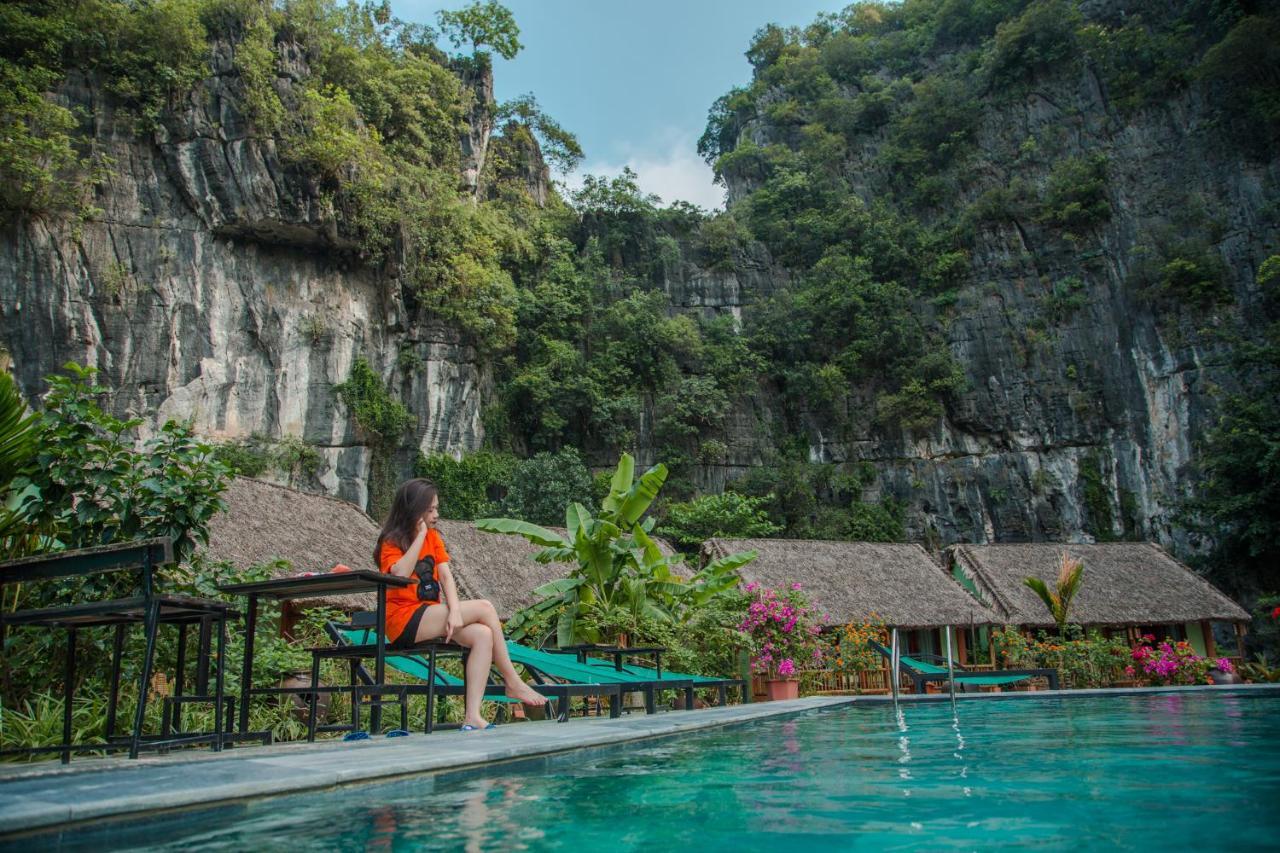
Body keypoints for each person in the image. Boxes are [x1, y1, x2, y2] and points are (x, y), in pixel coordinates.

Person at [374, 478, 548, 731]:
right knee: (485, 607)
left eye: (436, 508)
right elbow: (399, 574)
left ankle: (472, 715)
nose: (436, 515)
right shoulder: (391, 540)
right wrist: (419, 535)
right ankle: (512, 680)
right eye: (430, 509)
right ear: (414, 510)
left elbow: (445, 575)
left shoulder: (434, 538)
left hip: (429, 616)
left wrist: (455, 611)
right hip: (402, 620)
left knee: (482, 634)